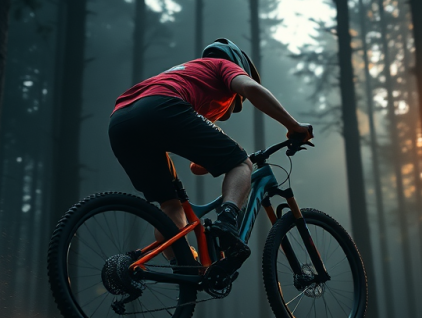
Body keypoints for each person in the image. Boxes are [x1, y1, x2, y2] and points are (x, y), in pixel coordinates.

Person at [108, 38, 313, 266]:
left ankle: (184, 269)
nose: (223, 112)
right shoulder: (221, 65)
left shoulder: (185, 73)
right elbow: (251, 88)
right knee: (242, 164)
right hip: (163, 106)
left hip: (120, 120)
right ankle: (227, 221)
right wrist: (293, 126)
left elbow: (197, 164)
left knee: (171, 205)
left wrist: (212, 158)